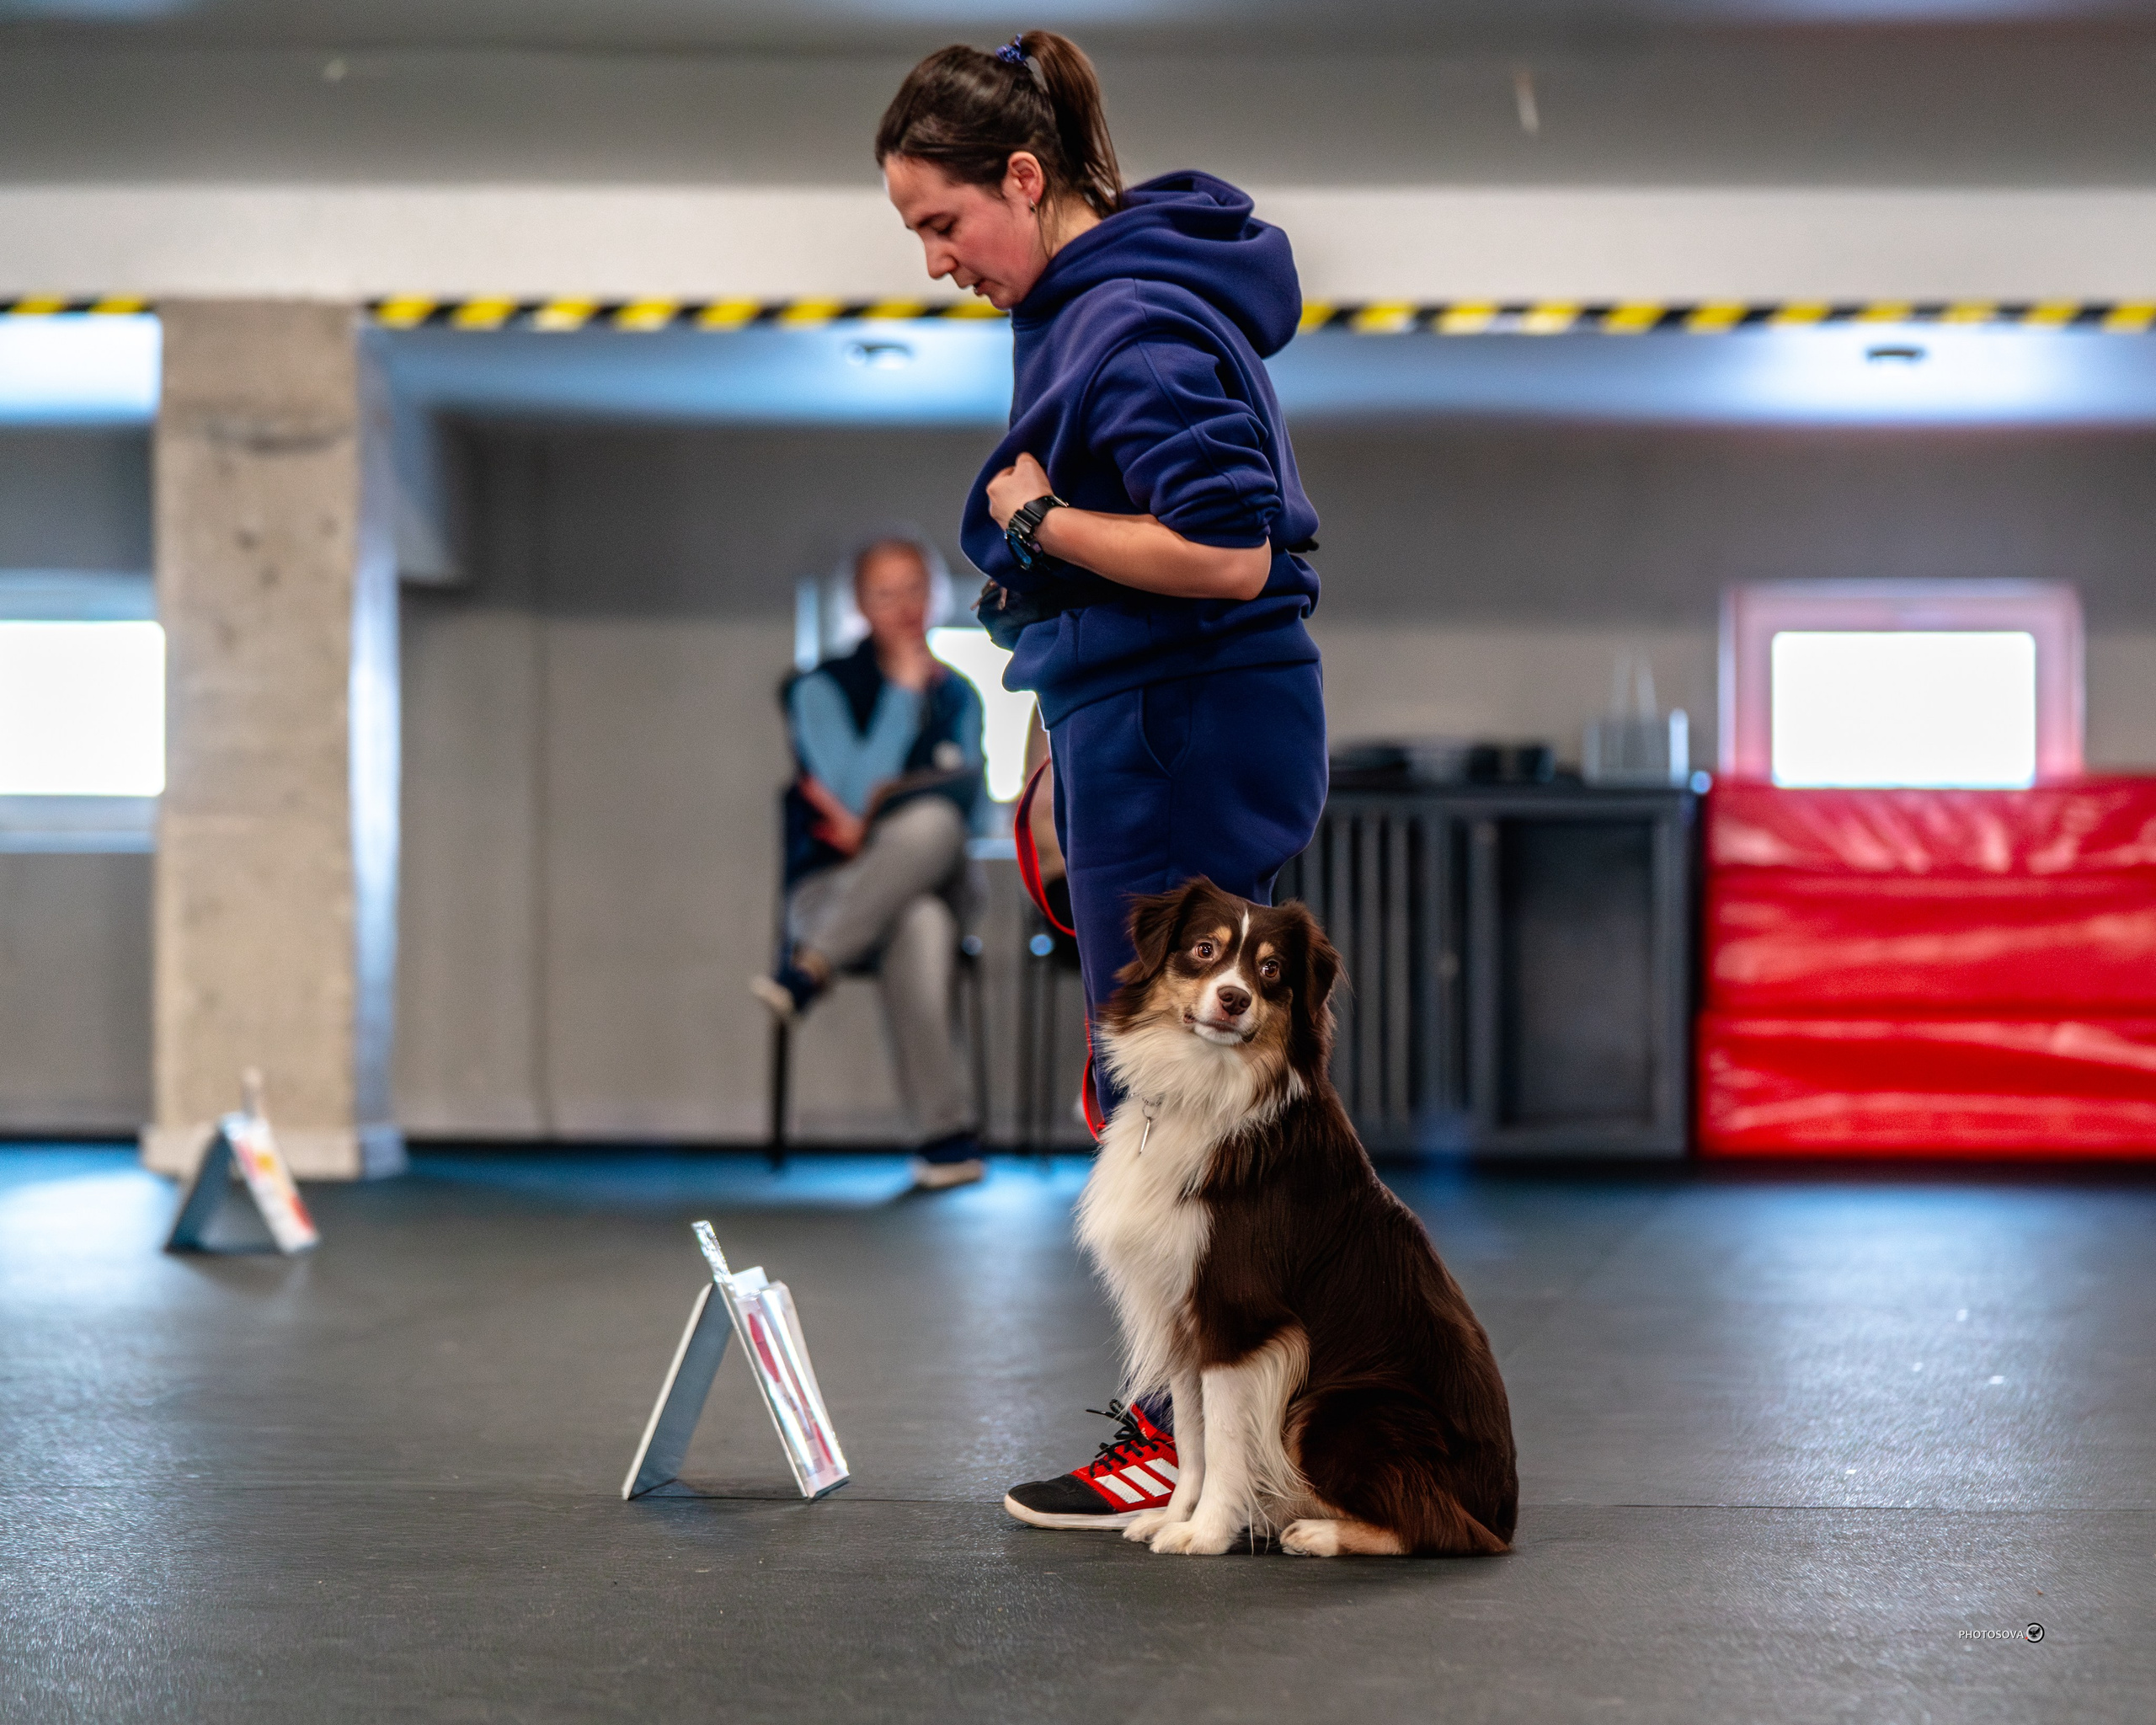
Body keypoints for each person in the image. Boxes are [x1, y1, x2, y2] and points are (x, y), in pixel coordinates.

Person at [878, 33, 1329, 1525]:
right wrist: (1050, 751)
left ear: (1024, 177)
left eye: (945, 224)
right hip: (1137, 718)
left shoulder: (1128, 322)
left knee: (1175, 1098)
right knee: (1171, 1091)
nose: (939, 262)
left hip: (1187, 722)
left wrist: (1045, 517)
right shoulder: (1089, 310)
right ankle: (1224, 1432)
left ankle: (1187, 1432)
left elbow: (1229, 549)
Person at [755, 537, 989, 1193]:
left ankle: (809, 969)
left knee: (936, 828)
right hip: (831, 892)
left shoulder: (962, 698)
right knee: (917, 920)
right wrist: (902, 696)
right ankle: (945, 1139)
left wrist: (878, 826)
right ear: (860, 603)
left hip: (941, 877)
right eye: (886, 593)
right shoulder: (815, 688)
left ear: (936, 595)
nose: (905, 607)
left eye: (916, 589)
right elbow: (860, 787)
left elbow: (974, 818)